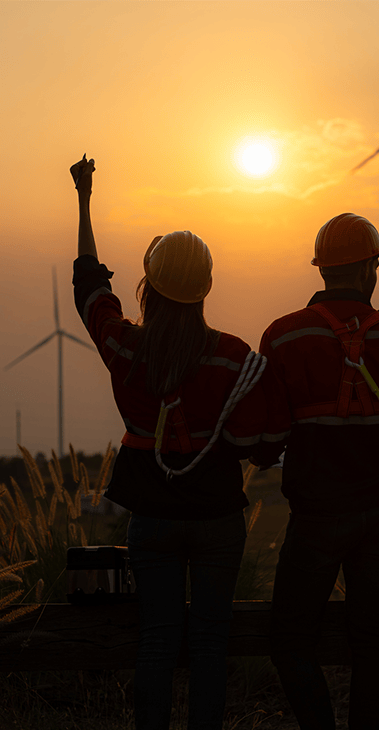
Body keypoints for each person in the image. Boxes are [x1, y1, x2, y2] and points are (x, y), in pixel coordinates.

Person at [70, 155, 266, 730]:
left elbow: (89, 282)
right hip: (218, 518)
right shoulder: (235, 356)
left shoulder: (124, 347)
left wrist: (84, 199)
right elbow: (260, 440)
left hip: (152, 517)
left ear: (149, 286)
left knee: (156, 641)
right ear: (205, 289)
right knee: (209, 643)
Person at [253, 213, 379, 730]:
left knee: (290, 639)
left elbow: (268, 440)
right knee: (370, 637)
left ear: (322, 270)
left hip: (316, 514)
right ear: (368, 268)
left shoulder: (282, 336)